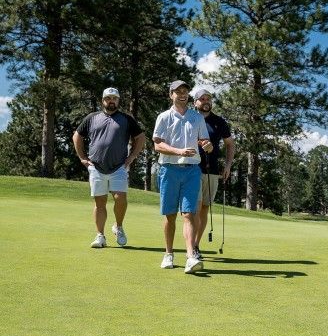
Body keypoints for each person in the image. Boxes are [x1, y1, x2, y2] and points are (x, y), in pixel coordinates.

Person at [152, 80, 214, 274]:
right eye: (178, 92)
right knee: (170, 215)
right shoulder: (163, 117)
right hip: (169, 169)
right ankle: (168, 253)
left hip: (192, 170)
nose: (182, 94)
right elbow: (157, 145)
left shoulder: (197, 118)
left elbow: (204, 139)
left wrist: (207, 146)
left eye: (185, 91)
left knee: (189, 213)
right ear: (171, 94)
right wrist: (178, 151)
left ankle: (190, 256)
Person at [72, 87, 146, 248]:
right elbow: (77, 135)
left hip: (119, 167)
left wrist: (132, 157)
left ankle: (118, 227)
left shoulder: (126, 119)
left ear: (118, 100)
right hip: (96, 167)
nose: (111, 101)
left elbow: (140, 138)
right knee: (100, 203)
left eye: (114, 98)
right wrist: (82, 158)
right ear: (103, 100)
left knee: (121, 199)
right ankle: (100, 236)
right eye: (108, 98)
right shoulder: (92, 118)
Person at [191, 87, 235, 259]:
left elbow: (230, 144)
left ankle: (195, 245)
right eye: (202, 99)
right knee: (194, 208)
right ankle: (191, 247)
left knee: (204, 208)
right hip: (192, 169)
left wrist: (228, 165)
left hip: (212, 171)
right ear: (195, 102)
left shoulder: (219, 121)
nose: (206, 102)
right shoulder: (190, 118)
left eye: (208, 99)